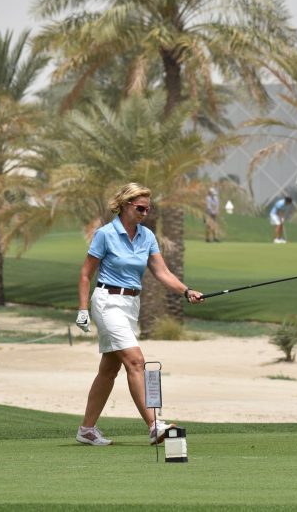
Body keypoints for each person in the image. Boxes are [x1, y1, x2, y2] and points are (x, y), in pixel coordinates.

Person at [74, 183, 204, 446]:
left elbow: (162, 272)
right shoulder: (105, 234)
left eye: (148, 209)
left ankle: (87, 429)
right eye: (140, 208)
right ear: (124, 205)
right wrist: (82, 310)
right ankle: (155, 425)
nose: (145, 213)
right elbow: (86, 274)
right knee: (135, 361)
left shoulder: (147, 236)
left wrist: (186, 291)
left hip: (131, 304)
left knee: (109, 369)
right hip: (107, 301)